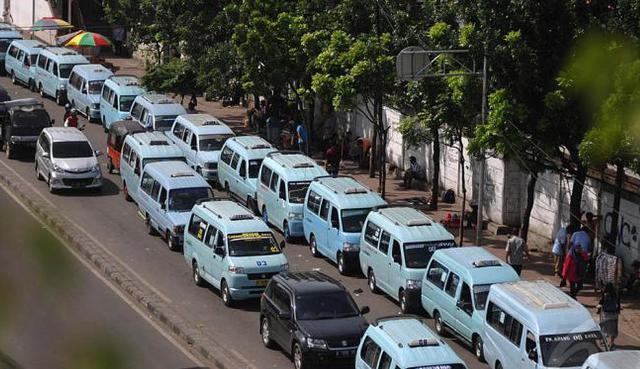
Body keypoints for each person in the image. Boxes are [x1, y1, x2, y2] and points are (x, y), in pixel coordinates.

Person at [597, 283, 621, 349]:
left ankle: (603, 341)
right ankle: (611, 343)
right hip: (614, 314)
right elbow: (618, 304)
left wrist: (598, 310)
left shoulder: (605, 295)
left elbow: (600, 303)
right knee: (613, 329)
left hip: (606, 314)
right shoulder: (616, 295)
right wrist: (618, 311)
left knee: (604, 327)